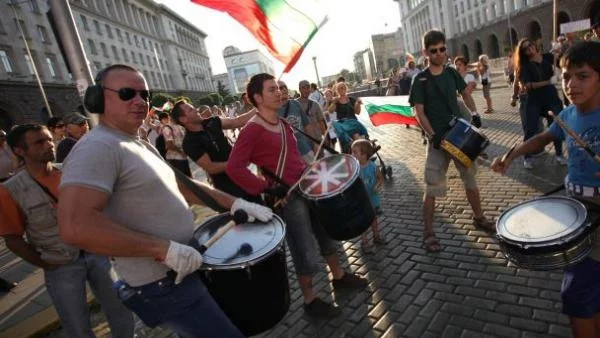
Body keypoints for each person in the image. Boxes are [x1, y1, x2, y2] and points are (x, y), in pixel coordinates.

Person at [58, 64, 273, 337]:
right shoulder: (97, 147)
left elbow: (181, 185)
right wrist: (163, 249)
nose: (139, 101)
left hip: (181, 268)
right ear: (98, 98)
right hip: (161, 281)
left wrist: (235, 204)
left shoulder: (136, 142)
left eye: (144, 94)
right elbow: (75, 226)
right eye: (127, 93)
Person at [226, 73, 368, 319]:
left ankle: (339, 276)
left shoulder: (282, 123)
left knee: (326, 233)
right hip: (288, 197)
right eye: (272, 90)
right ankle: (310, 300)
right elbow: (234, 168)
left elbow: (294, 158)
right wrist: (266, 188)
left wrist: (316, 169)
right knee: (304, 249)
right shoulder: (251, 130)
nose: (279, 92)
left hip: (307, 187)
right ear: (257, 98)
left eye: (279, 88)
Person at [491, 41, 600, 338]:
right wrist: (512, 154)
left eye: (583, 76)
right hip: (577, 214)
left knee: (578, 295)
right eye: (565, 76)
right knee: (582, 294)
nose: (571, 84)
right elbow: (540, 139)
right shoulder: (566, 117)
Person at [0, 124, 134, 338]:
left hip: (96, 254)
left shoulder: (71, 170)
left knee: (120, 307)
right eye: (39, 142)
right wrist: (44, 263)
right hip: (61, 265)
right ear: (19, 151)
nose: (49, 145)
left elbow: (98, 208)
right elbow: (13, 239)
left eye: (48, 139)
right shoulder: (10, 190)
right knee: (76, 323)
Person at [408, 30, 494, 252]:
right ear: (425, 52)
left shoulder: (452, 74)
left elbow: (465, 94)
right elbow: (419, 111)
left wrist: (475, 114)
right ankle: (428, 233)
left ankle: (479, 217)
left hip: (459, 136)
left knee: (470, 179)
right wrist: (432, 135)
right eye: (434, 50)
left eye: (442, 49)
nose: (439, 53)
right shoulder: (420, 79)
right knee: (432, 186)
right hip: (438, 141)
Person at [170, 101, 259, 202]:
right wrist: (236, 163)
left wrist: (260, 106)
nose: (196, 109)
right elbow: (211, 167)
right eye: (191, 110)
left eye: (193, 107)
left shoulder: (212, 122)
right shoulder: (190, 143)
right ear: (183, 119)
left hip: (244, 177)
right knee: (248, 214)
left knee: (264, 209)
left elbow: (237, 121)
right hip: (228, 189)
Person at [513, 37, 566, 169]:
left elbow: (563, 63)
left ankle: (559, 155)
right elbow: (528, 86)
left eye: (530, 45)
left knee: (556, 127)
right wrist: (549, 82)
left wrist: (559, 52)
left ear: (534, 45)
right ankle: (527, 157)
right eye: (525, 48)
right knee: (530, 130)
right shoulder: (524, 66)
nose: (529, 49)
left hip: (551, 98)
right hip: (534, 100)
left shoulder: (548, 57)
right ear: (523, 52)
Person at [351, 139, 385, 253]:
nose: (352, 155)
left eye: (355, 152)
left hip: (373, 198)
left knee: (373, 218)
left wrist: (378, 185)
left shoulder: (373, 166)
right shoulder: (354, 168)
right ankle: (364, 241)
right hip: (360, 200)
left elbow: (380, 178)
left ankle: (376, 236)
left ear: (364, 153)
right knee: (363, 221)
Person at [277, 80, 318, 163]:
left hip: (305, 149)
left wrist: (315, 143)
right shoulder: (272, 110)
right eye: (281, 88)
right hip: (288, 155)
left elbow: (307, 125)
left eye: (285, 87)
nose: (284, 89)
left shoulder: (296, 104)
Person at [454, 56, 483, 128]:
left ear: (464, 66)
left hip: (468, 108)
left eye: (460, 64)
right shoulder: (453, 77)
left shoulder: (469, 77)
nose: (457, 66)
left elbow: (467, 92)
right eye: (456, 64)